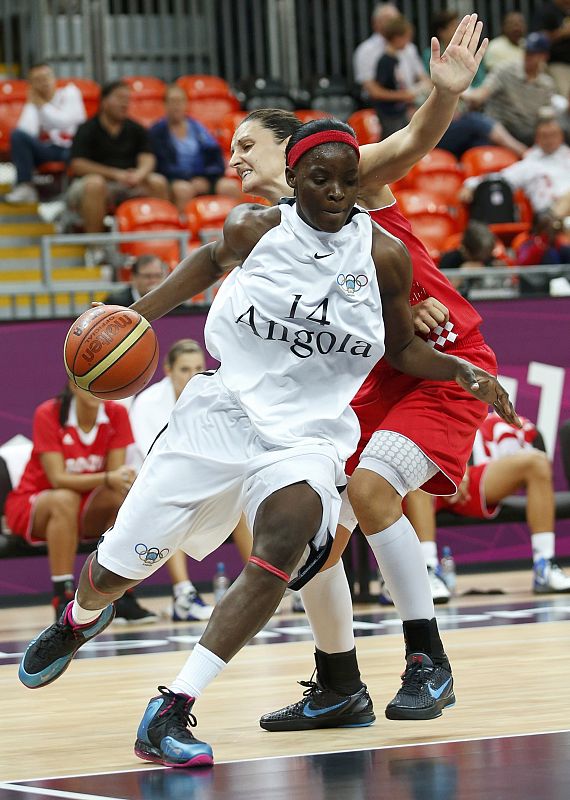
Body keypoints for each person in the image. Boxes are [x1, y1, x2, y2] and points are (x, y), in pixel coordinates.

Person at [19, 118, 515, 769]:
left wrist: (461, 370)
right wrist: (138, 316)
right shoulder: (255, 228)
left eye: (347, 180)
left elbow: (401, 350)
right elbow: (206, 263)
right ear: (295, 178)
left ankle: (172, 707)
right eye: (321, 178)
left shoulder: (384, 255)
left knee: (283, 545)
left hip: (307, 436)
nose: (335, 191)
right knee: (115, 570)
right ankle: (81, 617)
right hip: (220, 418)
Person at [114, 14, 508, 730]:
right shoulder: (274, 229)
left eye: (247, 145)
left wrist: (446, 92)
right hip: (365, 386)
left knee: (371, 489)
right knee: (315, 542)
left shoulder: (347, 178)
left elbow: (414, 141)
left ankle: (428, 659)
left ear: (288, 149)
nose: (234, 157)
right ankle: (338, 684)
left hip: (441, 368)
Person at [4, 380, 156, 623]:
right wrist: (107, 477)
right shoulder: (49, 413)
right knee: (65, 499)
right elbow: (57, 479)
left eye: (102, 383)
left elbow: (113, 480)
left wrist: (117, 478)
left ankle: (120, 594)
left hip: (83, 506)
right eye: (90, 383)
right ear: (74, 385)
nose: (97, 390)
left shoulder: (116, 414)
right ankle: (62, 596)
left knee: (120, 497)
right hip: (36, 502)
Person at [129, 338, 252, 621]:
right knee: (172, 500)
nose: (193, 375)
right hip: (151, 485)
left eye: (198, 368)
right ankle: (183, 595)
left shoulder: (216, 395)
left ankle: (265, 585)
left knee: (241, 497)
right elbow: (155, 460)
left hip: (204, 480)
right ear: (168, 370)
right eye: (185, 369)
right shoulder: (148, 402)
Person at [413, 412, 570, 595]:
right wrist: (444, 465)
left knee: (537, 462)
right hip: (422, 472)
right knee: (416, 472)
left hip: (465, 474)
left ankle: (545, 565)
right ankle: (427, 571)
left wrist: (458, 465)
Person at [67, 80, 168, 247]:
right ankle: (95, 248)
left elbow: (148, 157)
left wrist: (139, 174)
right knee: (95, 184)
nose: (125, 103)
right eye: (120, 98)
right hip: (96, 183)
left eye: (127, 99)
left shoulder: (136, 128)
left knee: (158, 182)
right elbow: (78, 164)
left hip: (128, 182)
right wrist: (114, 174)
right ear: (104, 101)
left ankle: (160, 243)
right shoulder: (87, 128)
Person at [149, 85, 242, 214]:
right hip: (175, 179)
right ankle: (184, 225)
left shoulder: (197, 127)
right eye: (172, 101)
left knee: (230, 187)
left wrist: (207, 178)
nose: (176, 106)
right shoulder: (157, 131)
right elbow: (162, 165)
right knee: (183, 190)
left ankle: (233, 223)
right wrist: (189, 179)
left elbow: (214, 154)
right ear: (165, 105)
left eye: (180, 101)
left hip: (204, 177)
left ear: (186, 104)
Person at [5, 63, 86, 205]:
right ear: (32, 85)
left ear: (54, 78)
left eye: (46, 77)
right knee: (17, 136)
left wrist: (41, 104)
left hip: (73, 147)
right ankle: (25, 186)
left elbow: (64, 122)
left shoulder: (70, 92)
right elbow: (26, 131)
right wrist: (31, 103)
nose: (44, 82)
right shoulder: (35, 102)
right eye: (38, 79)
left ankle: (76, 194)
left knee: (76, 154)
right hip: (49, 149)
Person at [465, 33, 563, 146]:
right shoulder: (505, 70)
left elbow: (546, 115)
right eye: (527, 51)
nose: (528, 56)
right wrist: (462, 92)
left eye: (533, 53)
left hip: (529, 134)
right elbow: (481, 94)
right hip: (500, 130)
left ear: (544, 56)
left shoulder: (547, 84)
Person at [460, 117, 570, 217]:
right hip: (550, 214)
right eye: (545, 136)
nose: (549, 140)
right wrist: (471, 185)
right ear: (537, 139)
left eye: (553, 135)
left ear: (561, 136)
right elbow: (502, 178)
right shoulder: (529, 163)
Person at [353, 3, 428, 103]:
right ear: (375, 23)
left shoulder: (409, 48)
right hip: (383, 107)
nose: (394, 24)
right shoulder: (366, 51)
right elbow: (373, 91)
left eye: (396, 20)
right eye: (388, 20)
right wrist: (406, 96)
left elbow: (424, 78)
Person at [373, 16, 425, 138]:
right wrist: (403, 95)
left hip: (400, 111)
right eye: (407, 37)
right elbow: (379, 91)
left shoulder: (395, 58)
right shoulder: (385, 61)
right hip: (389, 114)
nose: (408, 41)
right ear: (397, 38)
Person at [439, 221, 502, 295]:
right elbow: (442, 293)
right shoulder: (448, 260)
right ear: (465, 250)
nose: (483, 260)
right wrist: (462, 273)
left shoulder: (491, 260)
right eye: (477, 257)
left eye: (486, 255)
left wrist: (500, 273)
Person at [424, 11, 486, 87]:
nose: (459, 29)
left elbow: (481, 81)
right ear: (442, 32)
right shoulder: (430, 54)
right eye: (453, 27)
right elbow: (429, 81)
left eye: (457, 25)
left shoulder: (467, 51)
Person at [532, 0, 570, 94]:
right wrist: (562, 32)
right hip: (557, 64)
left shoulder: (566, 11)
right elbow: (538, 38)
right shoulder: (547, 11)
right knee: (565, 94)